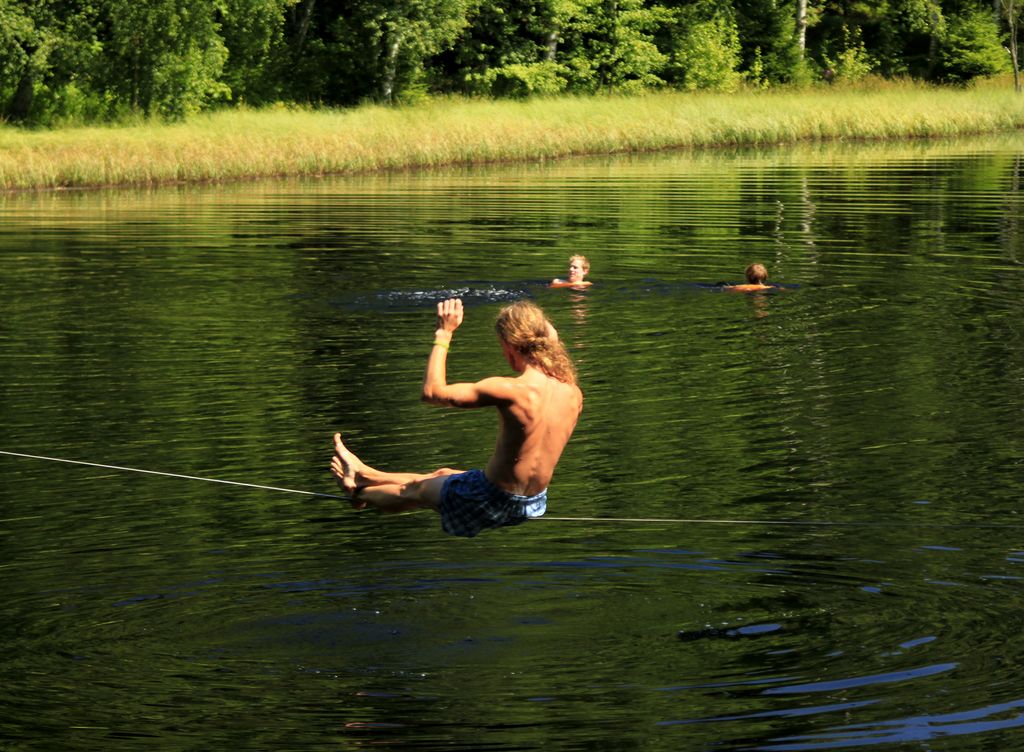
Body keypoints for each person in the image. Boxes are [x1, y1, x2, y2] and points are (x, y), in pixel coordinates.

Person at [330, 297, 583, 538]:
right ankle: (364, 473)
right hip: (533, 503)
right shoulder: (573, 393)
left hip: (490, 499)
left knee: (414, 490)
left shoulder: (510, 390)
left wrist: (444, 333)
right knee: (443, 474)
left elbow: (432, 393)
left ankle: (358, 493)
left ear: (510, 347)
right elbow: (549, 336)